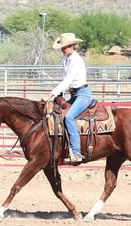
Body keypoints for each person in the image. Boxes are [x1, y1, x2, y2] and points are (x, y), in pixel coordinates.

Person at [42, 33, 93, 163]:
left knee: (69, 117)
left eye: (66, 47)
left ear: (73, 46)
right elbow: (67, 81)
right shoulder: (67, 59)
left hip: (83, 94)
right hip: (75, 94)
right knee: (59, 113)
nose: (63, 49)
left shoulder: (75, 60)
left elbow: (68, 81)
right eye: (62, 47)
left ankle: (76, 152)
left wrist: (51, 94)